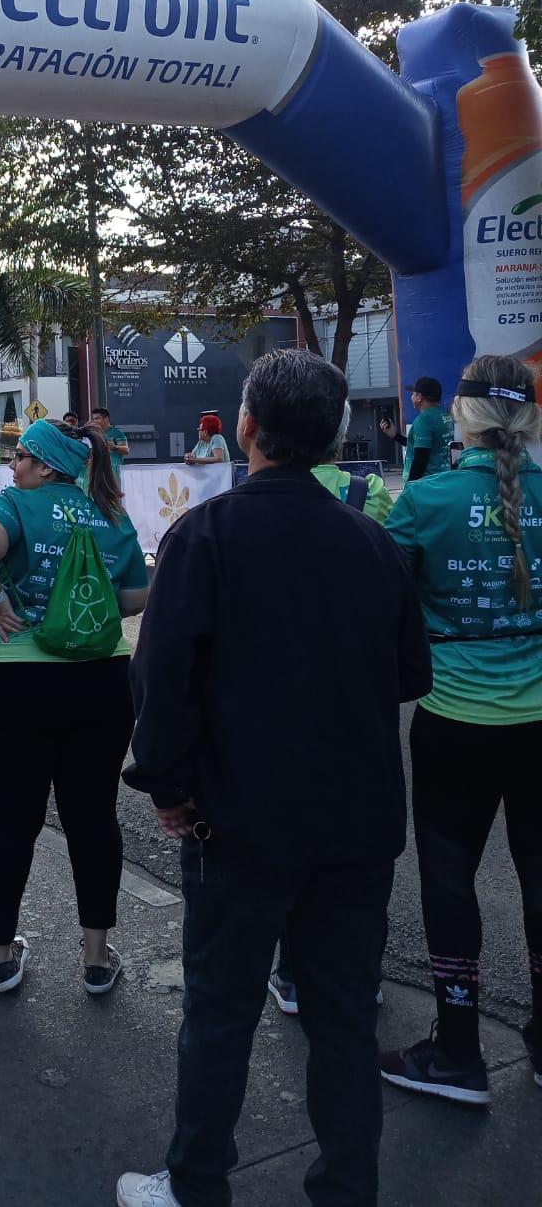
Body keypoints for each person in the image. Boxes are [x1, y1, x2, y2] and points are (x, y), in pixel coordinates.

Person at [117, 348, 430, 1207]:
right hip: (357, 826)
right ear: (333, 437)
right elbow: (410, 672)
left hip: (238, 821)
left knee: (220, 1011)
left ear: (246, 427)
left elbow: (160, 679)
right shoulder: (371, 541)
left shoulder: (205, 534)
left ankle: (195, 1183)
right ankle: (345, 1188)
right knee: (341, 1021)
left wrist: (170, 788)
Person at [379, 354, 542, 1106]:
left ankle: (459, 1049)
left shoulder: (426, 500)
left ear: (462, 419)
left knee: (449, 883)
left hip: (454, 725)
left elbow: (381, 606)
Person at [0, 419, 150, 996]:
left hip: (16, 682)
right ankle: (94, 957)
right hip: (102, 683)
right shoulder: (110, 514)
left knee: (11, 817)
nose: (12, 467)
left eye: (20, 457)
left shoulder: (16, 505)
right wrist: (85, 595)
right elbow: (134, 597)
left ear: (44, 466)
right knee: (94, 817)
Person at [268, 407, 394, 1013]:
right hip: (356, 705)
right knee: (351, 859)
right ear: (341, 438)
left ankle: (291, 974)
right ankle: (358, 976)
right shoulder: (370, 497)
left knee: (289, 844)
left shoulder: (243, 508)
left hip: (280, 707)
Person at [380, 376, 451, 481]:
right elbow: (421, 447)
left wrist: (410, 487)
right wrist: (396, 436)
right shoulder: (446, 417)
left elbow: (420, 459)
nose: (411, 397)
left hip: (427, 485)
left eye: (413, 393)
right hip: (443, 481)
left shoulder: (424, 420)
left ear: (419, 397)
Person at [91, 405, 129, 480]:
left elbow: (126, 450)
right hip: (98, 472)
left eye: (97, 418)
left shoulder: (117, 432)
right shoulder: (93, 433)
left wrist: (115, 447)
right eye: (93, 419)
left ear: (106, 419)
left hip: (114, 472)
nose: (94, 421)